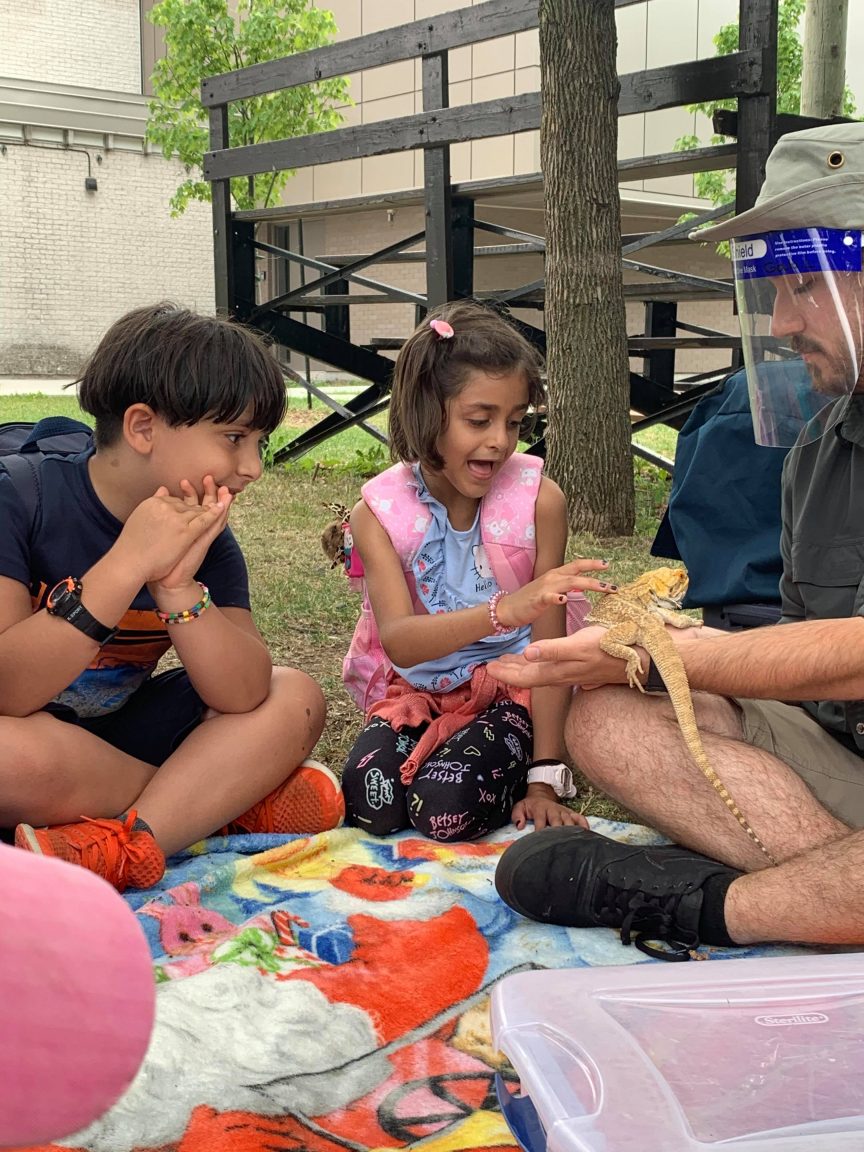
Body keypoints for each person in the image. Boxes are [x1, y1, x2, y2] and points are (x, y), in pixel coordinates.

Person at [490, 123, 864, 957]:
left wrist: (683, 657)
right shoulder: (818, 450)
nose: (781, 320)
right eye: (771, 288)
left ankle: (716, 905)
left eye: (804, 283)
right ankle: (828, 893)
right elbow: (805, 652)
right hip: (847, 754)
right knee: (606, 718)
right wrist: (650, 651)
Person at [3, 303, 343, 892]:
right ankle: (212, 806)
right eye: (234, 438)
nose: (253, 467)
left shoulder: (207, 538)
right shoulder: (19, 499)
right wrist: (127, 563)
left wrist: (178, 588)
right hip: (31, 738)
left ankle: (126, 844)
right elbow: (7, 691)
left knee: (295, 695)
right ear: (142, 428)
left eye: (259, 442)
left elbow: (244, 694)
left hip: (118, 733)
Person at [340, 300, 612, 841]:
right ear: (426, 411)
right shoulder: (377, 515)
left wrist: (544, 779)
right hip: (419, 688)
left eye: (514, 422)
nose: (501, 440)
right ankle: (448, 746)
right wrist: (505, 609)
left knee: (446, 811)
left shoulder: (541, 503)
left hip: (513, 690)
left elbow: (548, 649)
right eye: (479, 420)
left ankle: (488, 756)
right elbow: (401, 643)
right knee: (372, 806)